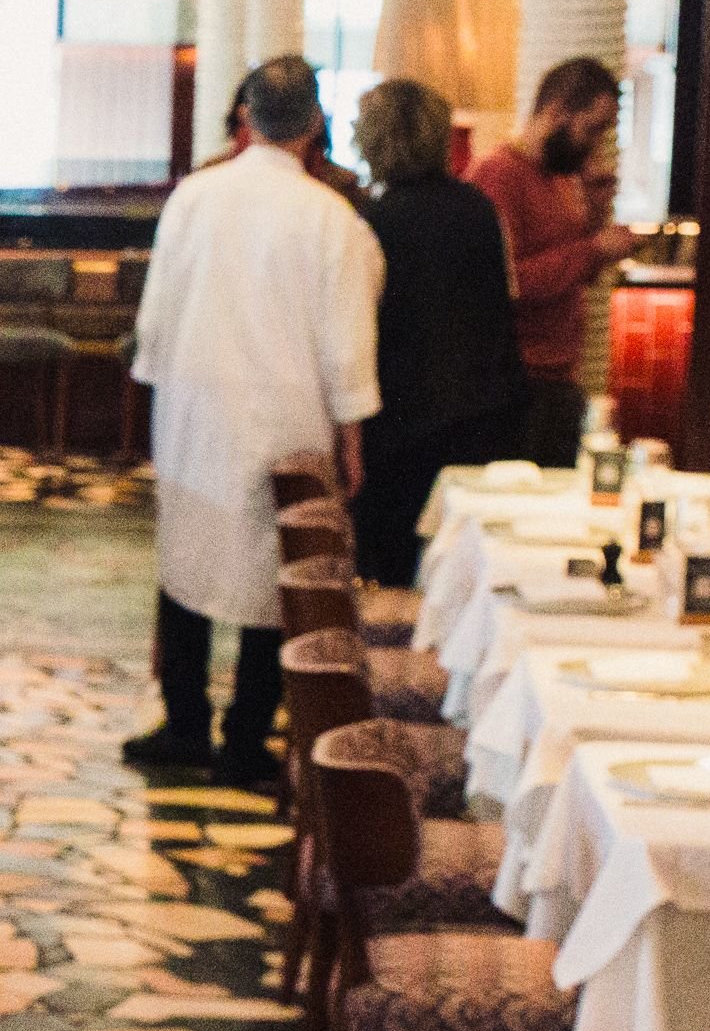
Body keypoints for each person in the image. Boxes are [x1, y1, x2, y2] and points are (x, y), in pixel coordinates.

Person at [123, 57, 385, 788]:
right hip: (287, 416)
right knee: (274, 580)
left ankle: (183, 724)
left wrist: (154, 389)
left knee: (188, 559)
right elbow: (347, 343)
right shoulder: (330, 218)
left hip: (194, 406)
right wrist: (352, 434)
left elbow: (157, 314)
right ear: (312, 124)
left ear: (246, 118)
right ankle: (244, 738)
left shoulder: (194, 197)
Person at [347, 76, 525, 585]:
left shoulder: (373, 223)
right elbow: (506, 299)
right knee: (468, 568)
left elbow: (363, 326)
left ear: (377, 140)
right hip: (486, 413)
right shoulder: (479, 209)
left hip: (405, 421)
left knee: (400, 571)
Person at [466, 54, 646, 464]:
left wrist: (597, 215)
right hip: (518, 379)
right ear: (556, 111)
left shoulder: (563, 178)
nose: (597, 144)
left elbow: (572, 274)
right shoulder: (500, 176)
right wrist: (595, 248)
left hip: (560, 373)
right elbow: (507, 282)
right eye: (593, 129)